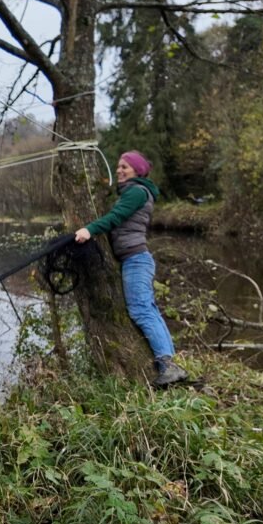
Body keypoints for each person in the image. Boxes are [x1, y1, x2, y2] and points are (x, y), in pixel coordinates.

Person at [74, 150, 189, 387]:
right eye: (118, 166)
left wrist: (88, 230)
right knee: (149, 309)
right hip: (136, 259)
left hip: (136, 259)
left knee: (140, 310)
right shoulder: (135, 191)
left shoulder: (137, 191)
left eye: (125, 167)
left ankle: (168, 365)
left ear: (138, 170)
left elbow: (116, 217)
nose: (119, 170)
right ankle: (170, 363)